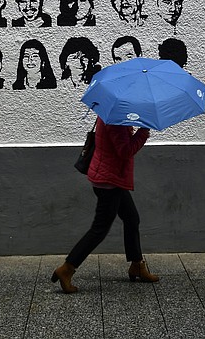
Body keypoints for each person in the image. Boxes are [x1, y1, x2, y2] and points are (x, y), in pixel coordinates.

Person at [51, 118, 158, 294]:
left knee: (132, 219)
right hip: (109, 182)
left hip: (112, 179)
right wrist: (143, 131)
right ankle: (67, 269)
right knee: (99, 229)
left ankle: (137, 265)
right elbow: (125, 151)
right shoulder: (115, 120)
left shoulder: (113, 115)